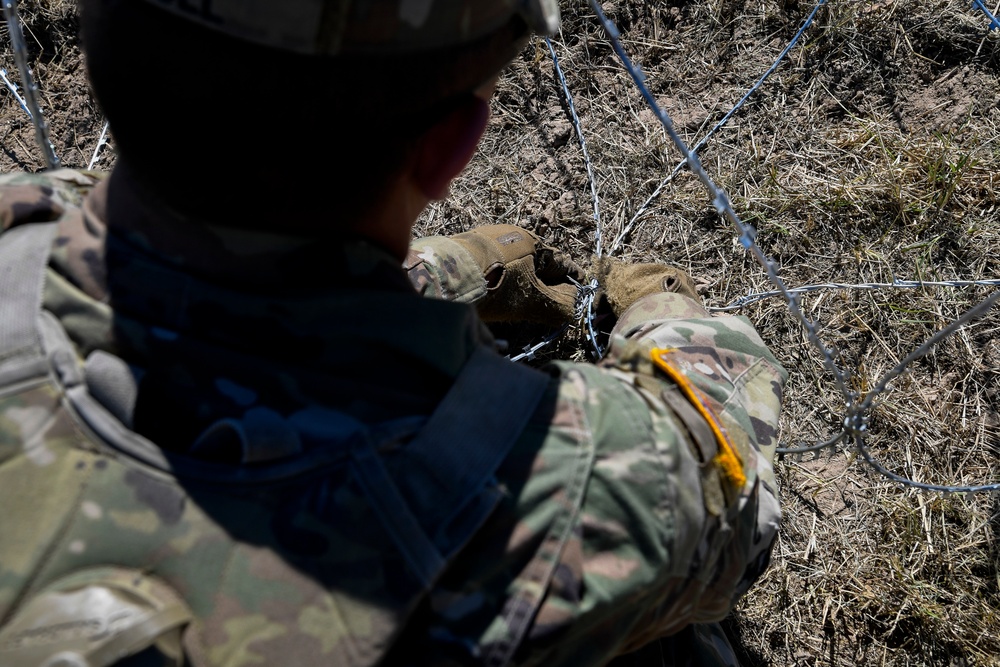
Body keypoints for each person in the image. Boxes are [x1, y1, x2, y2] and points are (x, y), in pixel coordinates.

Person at [0, 0, 786, 665]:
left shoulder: (19, 216)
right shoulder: (525, 495)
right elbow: (725, 491)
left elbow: (212, 278)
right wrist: (665, 312)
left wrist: (453, 268)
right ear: (453, 146)